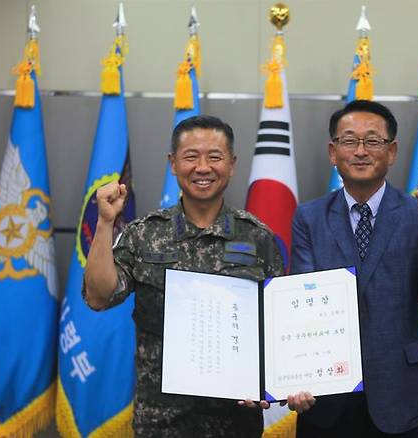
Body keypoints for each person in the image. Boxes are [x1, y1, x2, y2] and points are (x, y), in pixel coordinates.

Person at [83, 115, 289, 437]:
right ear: (173, 164)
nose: (203, 167)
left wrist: (273, 383)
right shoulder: (144, 234)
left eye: (215, 157)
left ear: (232, 165)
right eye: (191, 156)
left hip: (236, 423)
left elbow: (277, 329)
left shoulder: (258, 237)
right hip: (162, 421)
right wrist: (106, 222)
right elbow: (98, 296)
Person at [288, 100, 418, 437]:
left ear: (392, 151)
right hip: (326, 397)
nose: (360, 151)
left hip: (401, 394)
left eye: (372, 141)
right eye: (349, 141)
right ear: (332, 151)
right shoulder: (309, 218)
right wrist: (296, 375)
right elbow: (300, 307)